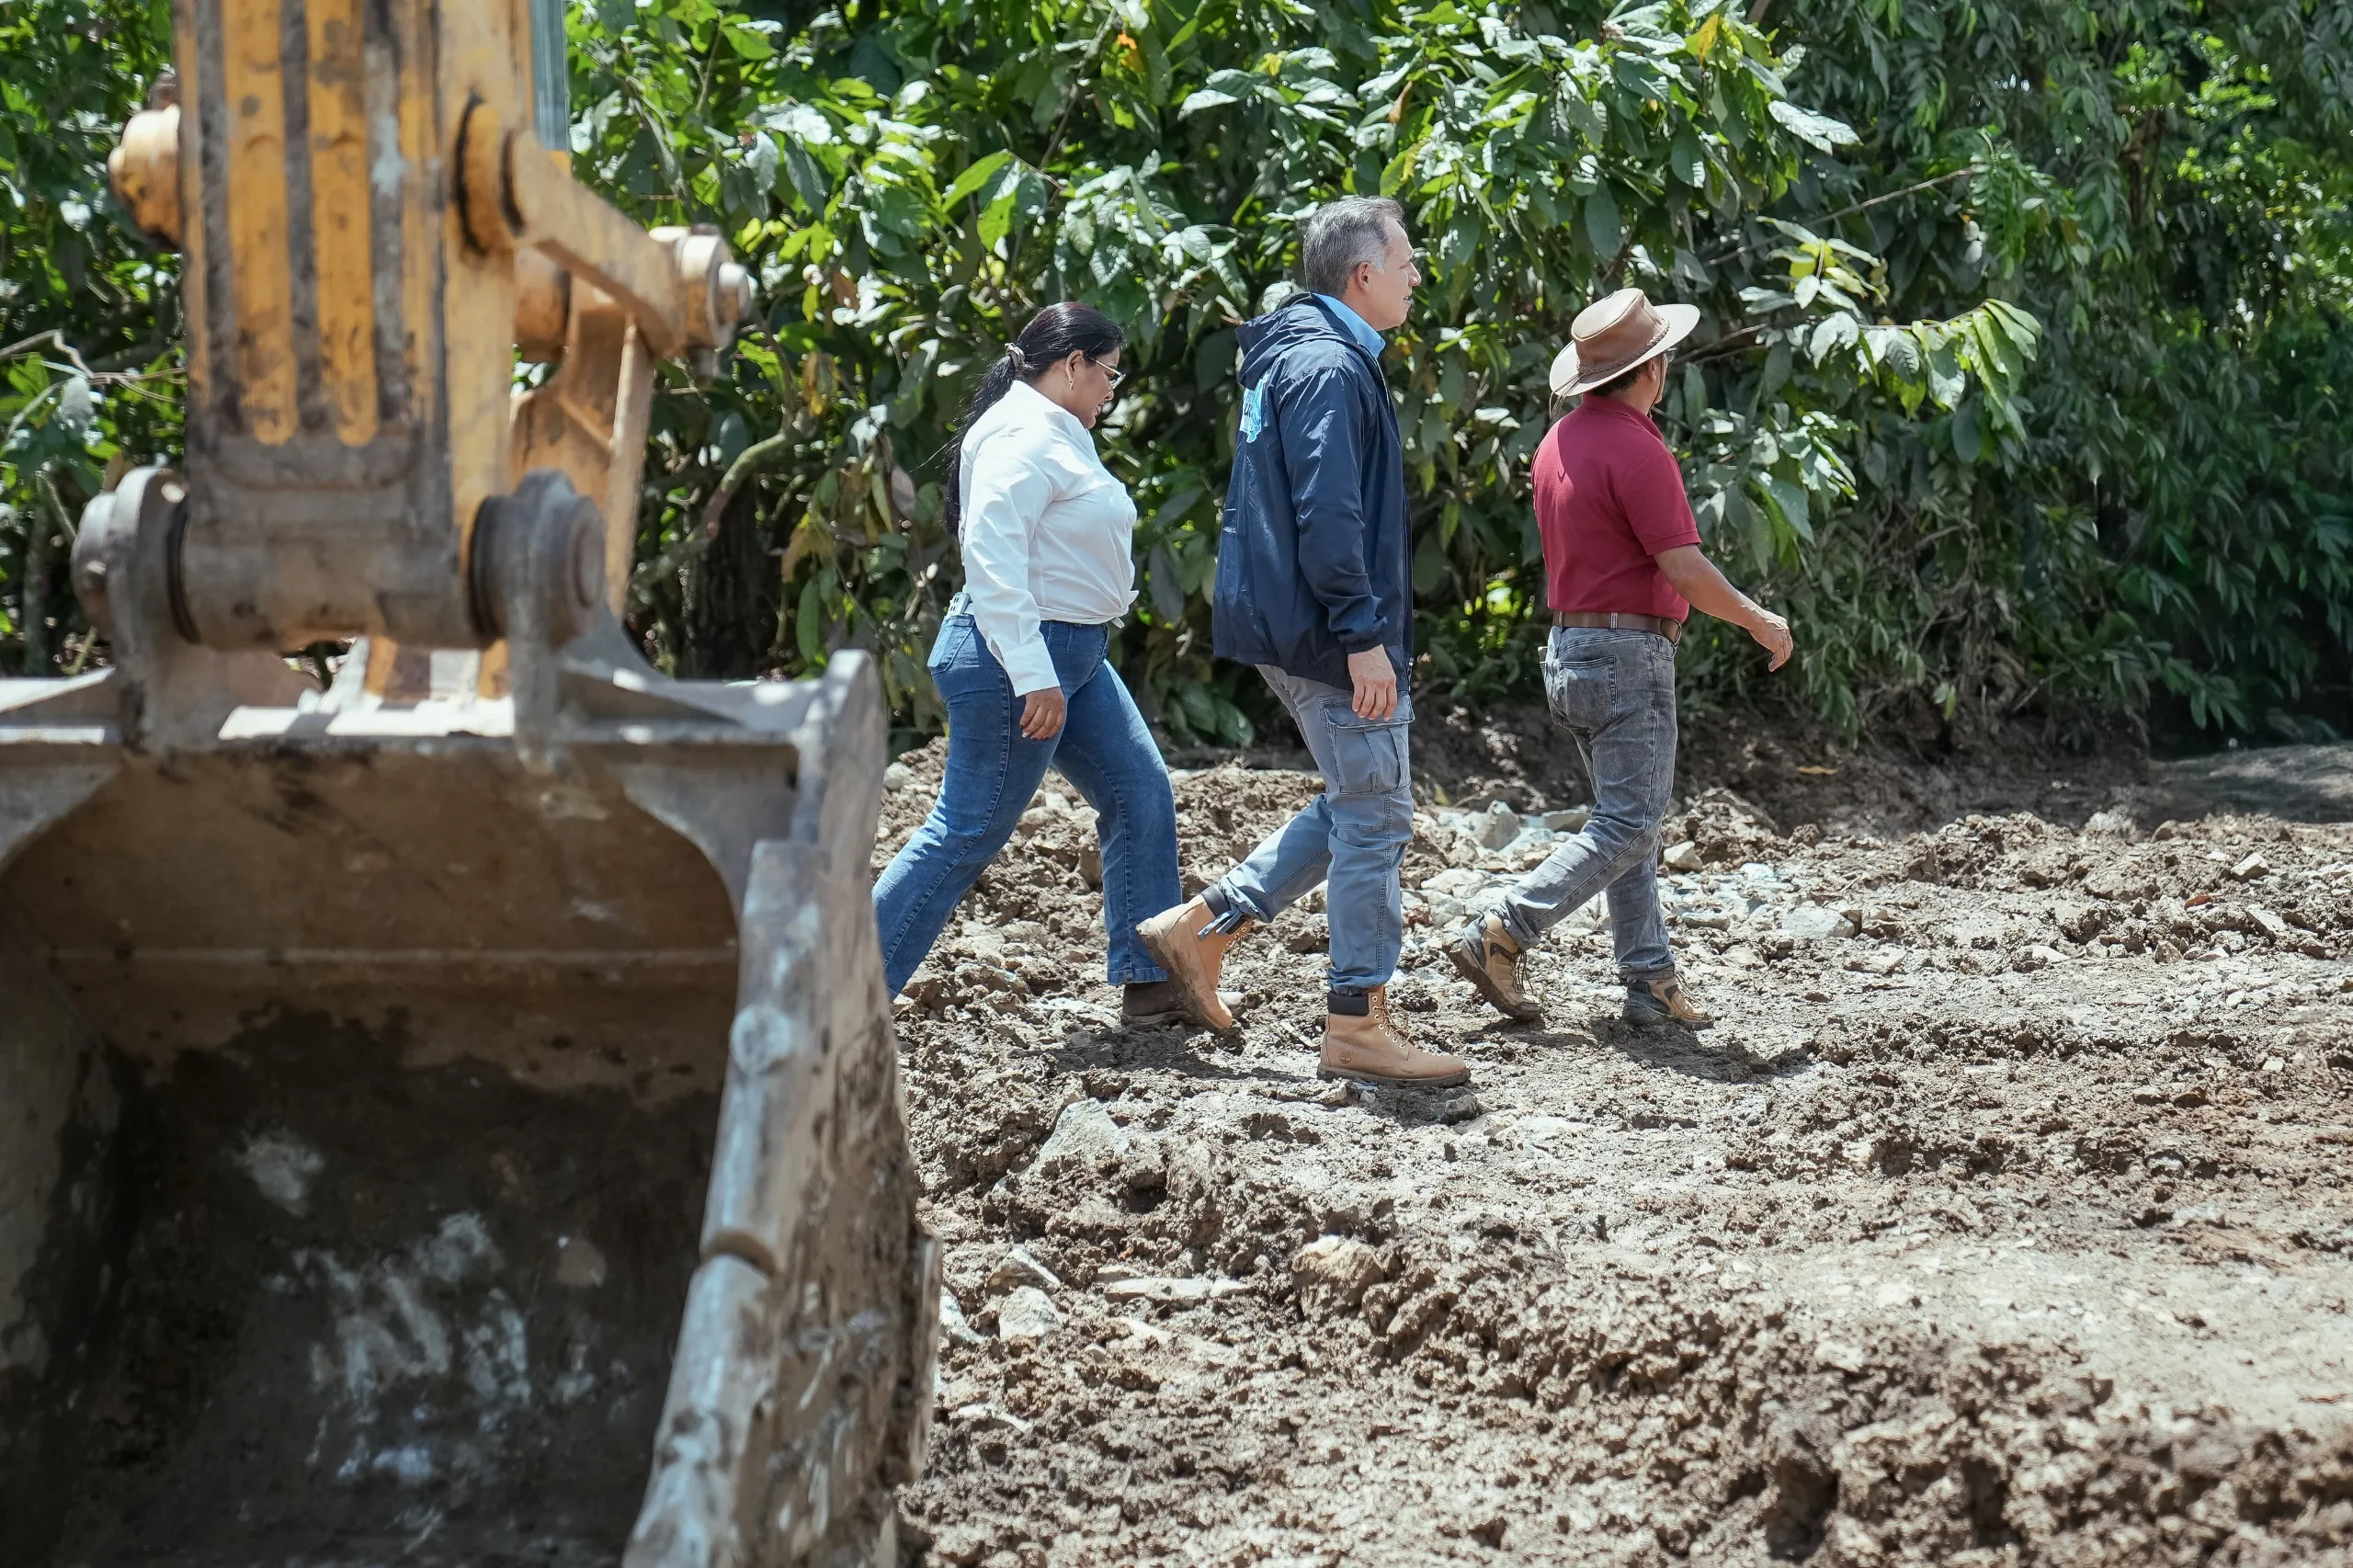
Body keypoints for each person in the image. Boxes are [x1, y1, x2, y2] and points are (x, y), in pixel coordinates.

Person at [1136, 197, 1469, 1089]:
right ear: (1362, 275)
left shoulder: (1300, 353)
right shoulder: (1326, 366)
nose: (1416, 276)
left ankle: (1206, 926)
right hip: (1328, 630)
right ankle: (1356, 1020)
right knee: (1378, 813)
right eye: (1405, 263)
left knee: (1365, 798)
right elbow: (1328, 511)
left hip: (1295, 623)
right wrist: (1361, 633)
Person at [1446, 288, 1794, 1028]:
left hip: (1570, 652)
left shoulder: (1556, 443)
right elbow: (1685, 569)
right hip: (1627, 655)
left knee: (1626, 823)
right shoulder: (1640, 448)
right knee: (1630, 825)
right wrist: (1759, 620)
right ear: (1653, 369)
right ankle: (1504, 928)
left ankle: (1650, 980)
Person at [874, 303, 1199, 1025]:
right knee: (966, 831)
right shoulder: (1022, 434)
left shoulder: (1055, 429)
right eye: (1108, 373)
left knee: (1139, 793)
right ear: (1072, 365)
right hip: (1019, 657)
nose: (1112, 390)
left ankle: (1150, 983)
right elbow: (992, 555)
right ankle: (840, 989)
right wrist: (1031, 672)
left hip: (1070, 653)